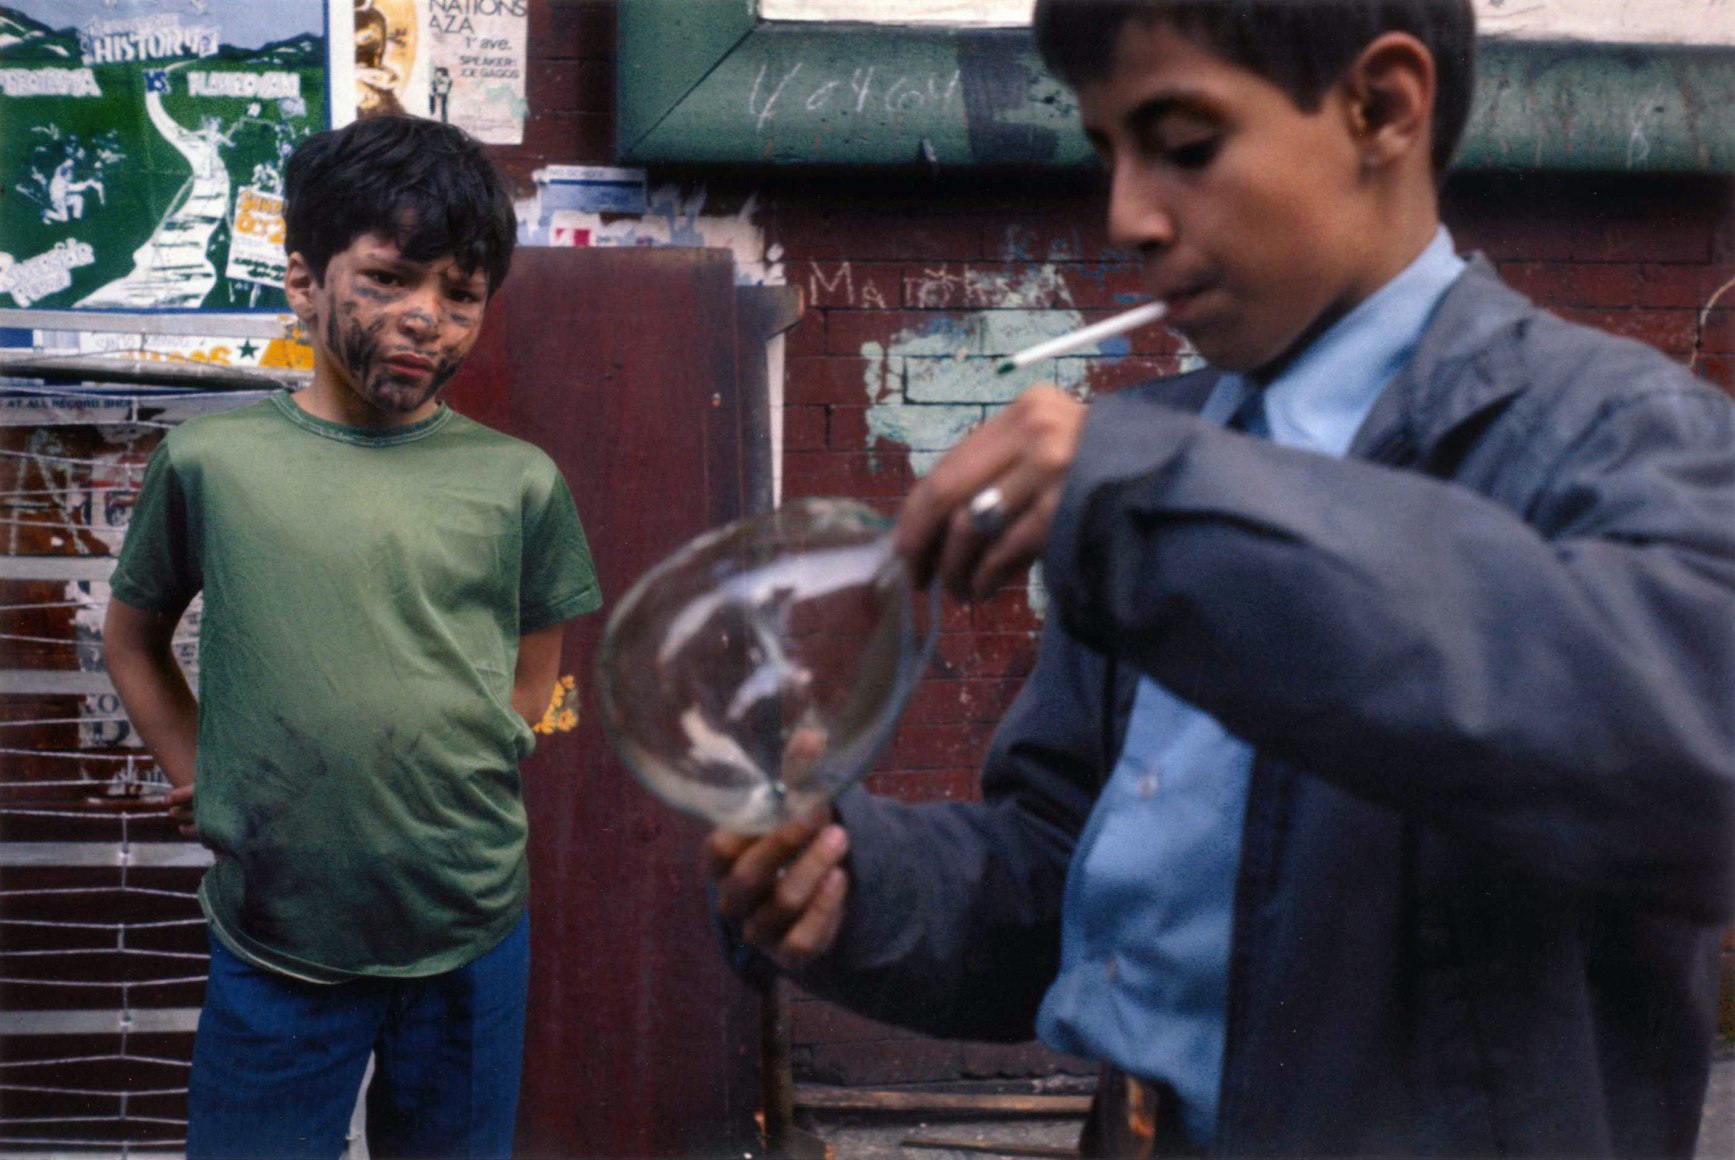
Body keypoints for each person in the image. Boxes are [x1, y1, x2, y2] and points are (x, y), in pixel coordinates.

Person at [706, 2, 1735, 1156]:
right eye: (1109, 153)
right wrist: (861, 883)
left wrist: (1167, 504)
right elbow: (1078, 882)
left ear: (1382, 108)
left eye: (1186, 146)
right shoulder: (1150, 463)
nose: (1127, 217)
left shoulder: (1616, 433)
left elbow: (1685, 758)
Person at [103, 115, 601, 1158]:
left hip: (468, 926)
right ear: (303, 281)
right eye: (388, 278)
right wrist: (199, 768)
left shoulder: (518, 481)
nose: (426, 317)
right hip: (277, 933)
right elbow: (135, 635)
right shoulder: (212, 463)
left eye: (460, 294)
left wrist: (486, 743)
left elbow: (537, 654)